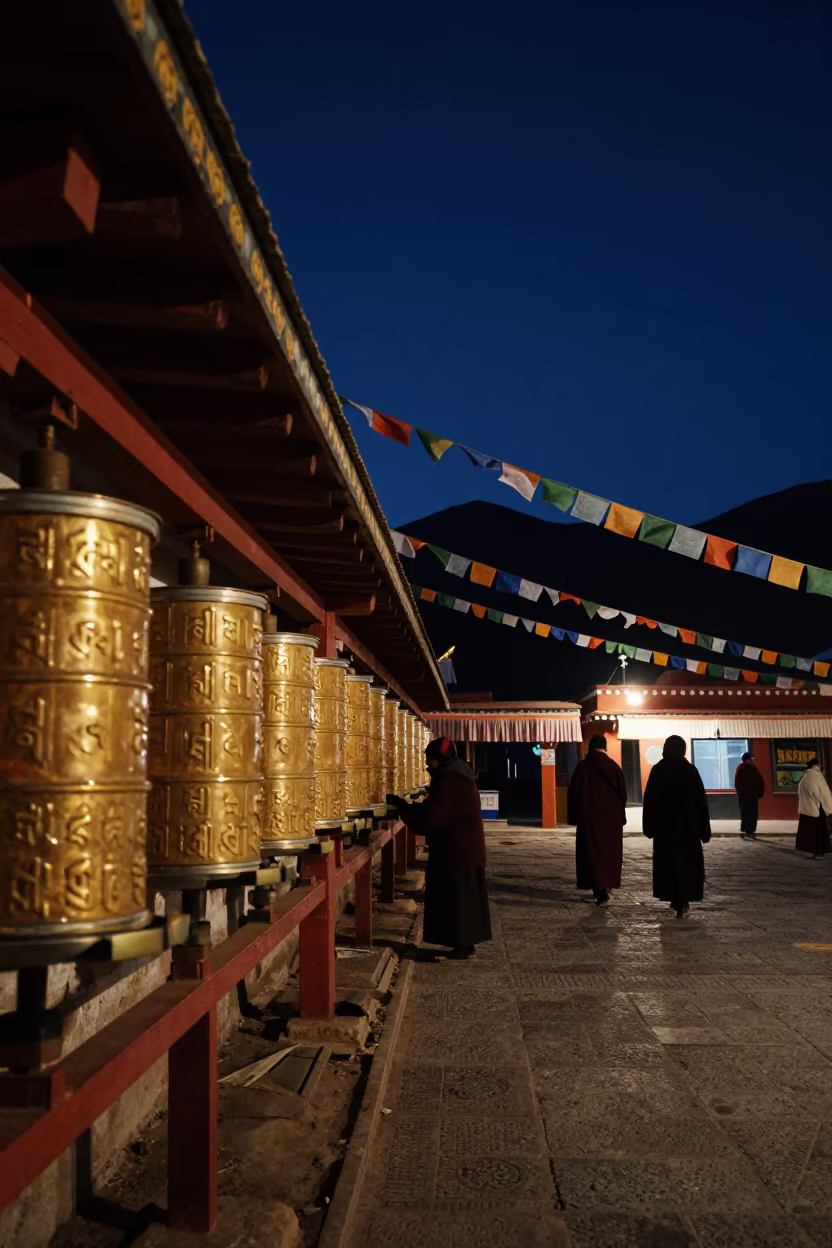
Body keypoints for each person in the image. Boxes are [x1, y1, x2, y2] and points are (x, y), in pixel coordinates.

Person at [389, 737, 491, 960]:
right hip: (461, 849)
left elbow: (434, 818)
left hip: (457, 851)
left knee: (458, 901)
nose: (428, 766)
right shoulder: (457, 775)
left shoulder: (450, 780)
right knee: (459, 900)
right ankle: (463, 946)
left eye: (430, 760)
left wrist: (404, 809)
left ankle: (463, 948)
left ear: (440, 759)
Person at [642, 735, 711, 919]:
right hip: (689, 829)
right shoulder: (690, 771)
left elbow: (650, 801)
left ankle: (675, 898)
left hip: (665, 830)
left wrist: (649, 826)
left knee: (669, 865)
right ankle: (684, 899)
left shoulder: (658, 771)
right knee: (686, 865)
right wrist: (704, 830)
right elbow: (701, 802)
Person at [567, 734, 627, 906]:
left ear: (590, 747)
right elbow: (623, 794)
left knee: (592, 852)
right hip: (611, 819)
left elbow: (574, 793)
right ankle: (605, 888)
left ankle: (598, 890)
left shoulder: (583, 767)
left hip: (589, 817)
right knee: (609, 853)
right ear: (604, 747)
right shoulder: (614, 767)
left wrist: (574, 817)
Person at [795, 758, 832, 859]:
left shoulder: (805, 778)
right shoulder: (817, 777)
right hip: (817, 808)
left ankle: (814, 851)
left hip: (807, 809)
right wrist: (829, 809)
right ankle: (819, 853)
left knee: (810, 832)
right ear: (817, 765)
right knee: (819, 832)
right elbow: (824, 794)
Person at [735, 751, 765, 839]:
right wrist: (759, 793)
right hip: (748, 795)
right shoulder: (745, 768)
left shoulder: (745, 768)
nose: (752, 761)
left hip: (747, 795)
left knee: (747, 813)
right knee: (750, 813)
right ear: (746, 760)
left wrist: (740, 792)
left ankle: (748, 830)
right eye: (751, 759)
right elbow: (760, 782)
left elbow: (759, 782)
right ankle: (749, 831)